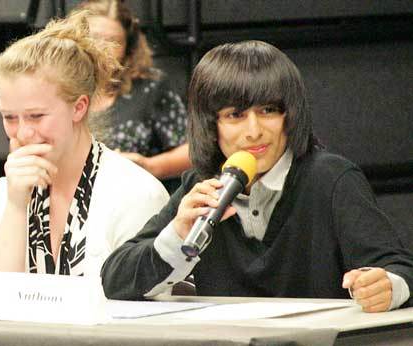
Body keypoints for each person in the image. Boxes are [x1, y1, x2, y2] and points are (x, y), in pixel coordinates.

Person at [101, 40, 413, 312]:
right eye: (235, 115)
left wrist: (386, 286)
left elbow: (400, 269)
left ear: (290, 115)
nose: (254, 131)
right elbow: (115, 279)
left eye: (268, 111)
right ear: (210, 125)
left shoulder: (330, 178)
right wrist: (177, 234)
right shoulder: (202, 186)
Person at [0, 11, 169, 292]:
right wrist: (16, 207)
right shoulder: (0, 195)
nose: (23, 133)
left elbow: (144, 316)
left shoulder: (136, 192)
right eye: (10, 117)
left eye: (36, 116)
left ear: (79, 107)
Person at [72, 0, 191, 192]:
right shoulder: (56, 90)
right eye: (95, 37)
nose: (103, 47)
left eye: (114, 41)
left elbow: (191, 151)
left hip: (135, 198)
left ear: (129, 49)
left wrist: (149, 166)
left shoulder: (150, 89)